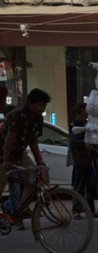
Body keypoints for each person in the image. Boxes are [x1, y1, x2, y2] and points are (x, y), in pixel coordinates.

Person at [0, 89, 50, 230]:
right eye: (39, 105)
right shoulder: (17, 115)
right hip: (3, 153)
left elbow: (33, 140)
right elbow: (9, 139)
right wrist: (5, 160)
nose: (42, 108)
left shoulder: (38, 119)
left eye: (44, 105)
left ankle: (19, 212)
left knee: (34, 179)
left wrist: (39, 161)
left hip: (19, 154)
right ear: (30, 103)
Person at [69, 102, 98, 219]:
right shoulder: (75, 124)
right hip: (80, 160)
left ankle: (90, 210)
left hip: (90, 159)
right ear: (81, 110)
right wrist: (85, 144)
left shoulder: (87, 123)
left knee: (91, 185)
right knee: (79, 186)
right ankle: (76, 210)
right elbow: (73, 143)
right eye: (86, 109)